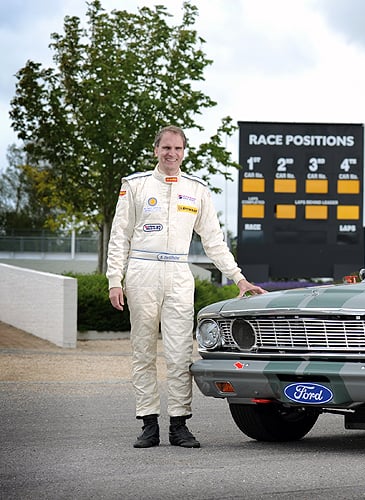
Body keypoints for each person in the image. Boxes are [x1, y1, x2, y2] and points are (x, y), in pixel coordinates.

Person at [107, 125, 266, 449]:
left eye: (178, 149)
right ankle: (148, 423)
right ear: (156, 150)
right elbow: (119, 236)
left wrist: (238, 278)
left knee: (181, 353)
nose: (172, 154)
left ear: (184, 152)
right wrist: (115, 280)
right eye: (166, 148)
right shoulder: (134, 186)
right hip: (142, 271)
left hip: (179, 273)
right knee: (143, 350)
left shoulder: (196, 190)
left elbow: (214, 241)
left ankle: (179, 425)